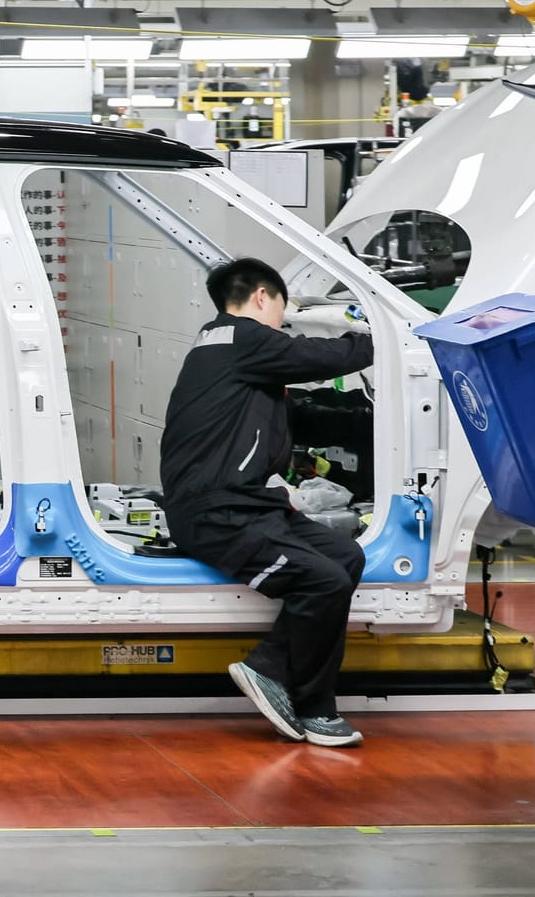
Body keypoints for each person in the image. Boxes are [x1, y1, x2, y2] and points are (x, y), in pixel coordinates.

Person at [160, 258, 374, 749]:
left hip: (249, 504)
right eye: (283, 308)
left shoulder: (222, 348)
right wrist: (384, 340)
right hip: (217, 512)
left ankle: (290, 686)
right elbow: (319, 357)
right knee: (323, 579)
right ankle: (293, 690)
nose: (285, 319)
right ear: (262, 297)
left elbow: (296, 408)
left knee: (346, 556)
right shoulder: (242, 338)